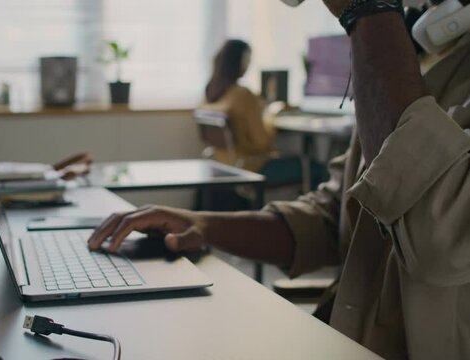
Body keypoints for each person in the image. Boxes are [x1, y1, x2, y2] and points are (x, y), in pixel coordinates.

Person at [88, 0, 470, 358]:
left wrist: (369, 12)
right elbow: (336, 215)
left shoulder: (385, 37)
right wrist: (203, 224)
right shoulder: (412, 52)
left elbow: (441, 237)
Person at [200, 39, 276, 172]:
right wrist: (270, 118)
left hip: (223, 163)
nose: (248, 65)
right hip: (250, 166)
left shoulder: (210, 93)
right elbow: (262, 142)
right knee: (311, 167)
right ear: (239, 62)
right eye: (247, 60)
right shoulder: (243, 95)